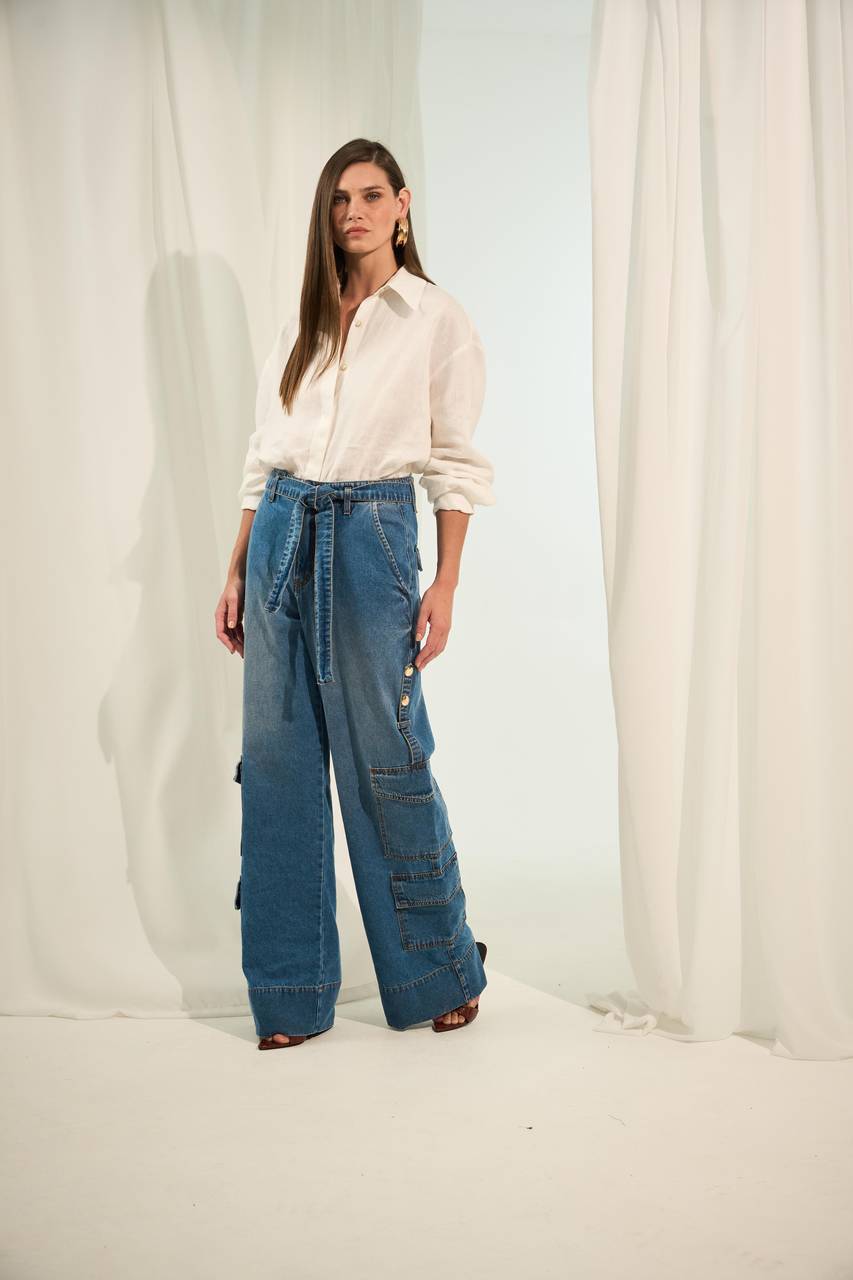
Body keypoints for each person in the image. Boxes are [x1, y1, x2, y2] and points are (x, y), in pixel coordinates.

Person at [215, 138, 496, 1049]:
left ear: (402, 205)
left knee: (388, 758)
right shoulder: (304, 321)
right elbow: (264, 455)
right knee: (278, 765)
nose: (354, 213)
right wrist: (236, 567)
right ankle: (289, 992)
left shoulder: (434, 319)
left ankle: (437, 970)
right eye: (340, 199)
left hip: (373, 537)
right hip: (281, 532)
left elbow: (454, 464)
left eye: (371, 196)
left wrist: (445, 582)